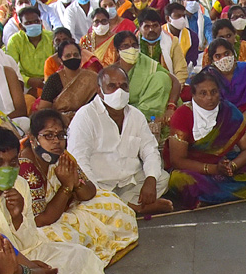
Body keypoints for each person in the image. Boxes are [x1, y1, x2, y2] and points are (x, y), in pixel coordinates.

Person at [0, 127, 113, 274]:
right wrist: (27, 268)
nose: (7, 169)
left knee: (82, 255)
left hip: (27, 251)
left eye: (13, 163)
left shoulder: (20, 184)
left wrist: (18, 216)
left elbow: (30, 240)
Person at [18, 109, 138, 264]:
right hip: (38, 226)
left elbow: (90, 191)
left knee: (113, 203)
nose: (56, 141)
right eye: (48, 135)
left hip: (63, 210)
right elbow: (40, 220)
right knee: (65, 240)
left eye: (61, 135)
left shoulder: (61, 155)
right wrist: (67, 187)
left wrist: (75, 183)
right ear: (33, 139)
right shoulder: (26, 166)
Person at [166, 69, 246, 209]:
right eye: (203, 93)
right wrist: (213, 169)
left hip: (224, 164)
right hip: (195, 169)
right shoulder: (182, 115)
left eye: (214, 92)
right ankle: (221, 194)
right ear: (193, 95)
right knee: (179, 179)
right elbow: (177, 160)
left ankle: (210, 198)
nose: (210, 98)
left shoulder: (228, 110)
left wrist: (231, 166)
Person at [68, 65, 172, 215]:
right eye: (112, 86)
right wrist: (96, 192)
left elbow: (150, 150)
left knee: (162, 178)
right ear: (99, 90)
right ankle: (134, 207)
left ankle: (121, 207)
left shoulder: (136, 116)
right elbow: (79, 161)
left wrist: (150, 180)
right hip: (99, 185)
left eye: (123, 86)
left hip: (129, 182)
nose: (119, 91)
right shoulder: (85, 116)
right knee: (88, 198)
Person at [109, 29, 178, 126]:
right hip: (125, 114)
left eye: (134, 45)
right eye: (126, 46)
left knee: (161, 77)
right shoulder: (111, 72)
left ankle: (152, 121)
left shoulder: (147, 62)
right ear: (117, 51)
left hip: (155, 113)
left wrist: (171, 107)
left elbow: (175, 82)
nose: (131, 49)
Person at [34, 39, 97, 124]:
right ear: (60, 60)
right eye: (68, 56)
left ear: (80, 57)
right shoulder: (54, 80)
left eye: (75, 55)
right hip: (60, 123)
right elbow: (43, 109)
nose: (72, 58)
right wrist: (61, 118)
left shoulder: (92, 78)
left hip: (89, 121)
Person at [4, 5, 54, 95]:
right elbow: (11, 69)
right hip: (26, 83)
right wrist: (28, 80)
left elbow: (59, 63)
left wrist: (49, 79)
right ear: (21, 26)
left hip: (51, 79)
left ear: (41, 22)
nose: (33, 25)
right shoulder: (15, 41)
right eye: (28, 23)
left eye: (36, 21)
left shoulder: (51, 37)